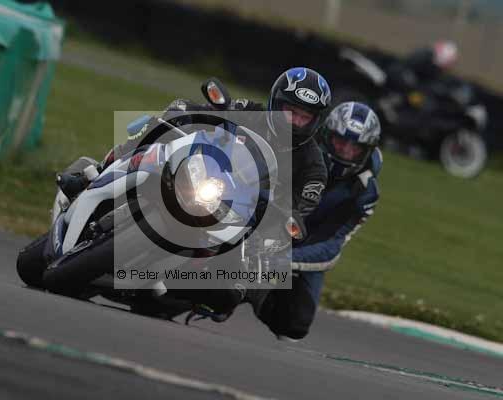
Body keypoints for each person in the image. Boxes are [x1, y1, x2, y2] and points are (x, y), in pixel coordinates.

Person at [56, 67, 333, 317]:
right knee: (160, 130)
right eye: (290, 111)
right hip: (203, 178)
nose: (294, 121)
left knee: (230, 295)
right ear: (275, 103)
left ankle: (178, 295)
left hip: (242, 221)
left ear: (315, 121)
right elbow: (206, 112)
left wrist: (282, 224)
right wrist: (185, 113)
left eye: (304, 117)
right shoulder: (250, 111)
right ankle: (92, 175)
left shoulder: (314, 168)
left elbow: (298, 212)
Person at [249, 101, 382, 341]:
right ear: (327, 135)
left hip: (300, 247)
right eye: (340, 142)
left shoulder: (364, 191)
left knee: (295, 323)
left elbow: (331, 246)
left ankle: (257, 295)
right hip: (263, 222)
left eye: (355, 147)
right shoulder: (299, 147)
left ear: (367, 151)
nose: (345, 151)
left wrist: (284, 260)